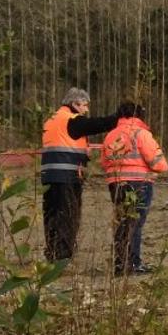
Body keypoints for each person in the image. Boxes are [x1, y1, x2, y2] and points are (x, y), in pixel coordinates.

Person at [40, 87, 119, 264]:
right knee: (68, 214)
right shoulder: (72, 120)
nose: (86, 110)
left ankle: (52, 252)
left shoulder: (52, 119)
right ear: (74, 104)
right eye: (84, 105)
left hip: (49, 176)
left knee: (51, 215)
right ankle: (62, 256)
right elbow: (96, 124)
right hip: (66, 177)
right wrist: (118, 117)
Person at [100, 101, 168, 276]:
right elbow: (158, 163)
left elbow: (104, 162)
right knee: (135, 224)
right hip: (139, 182)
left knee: (122, 223)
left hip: (115, 184)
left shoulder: (110, 135)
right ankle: (133, 263)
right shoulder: (141, 133)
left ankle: (120, 263)